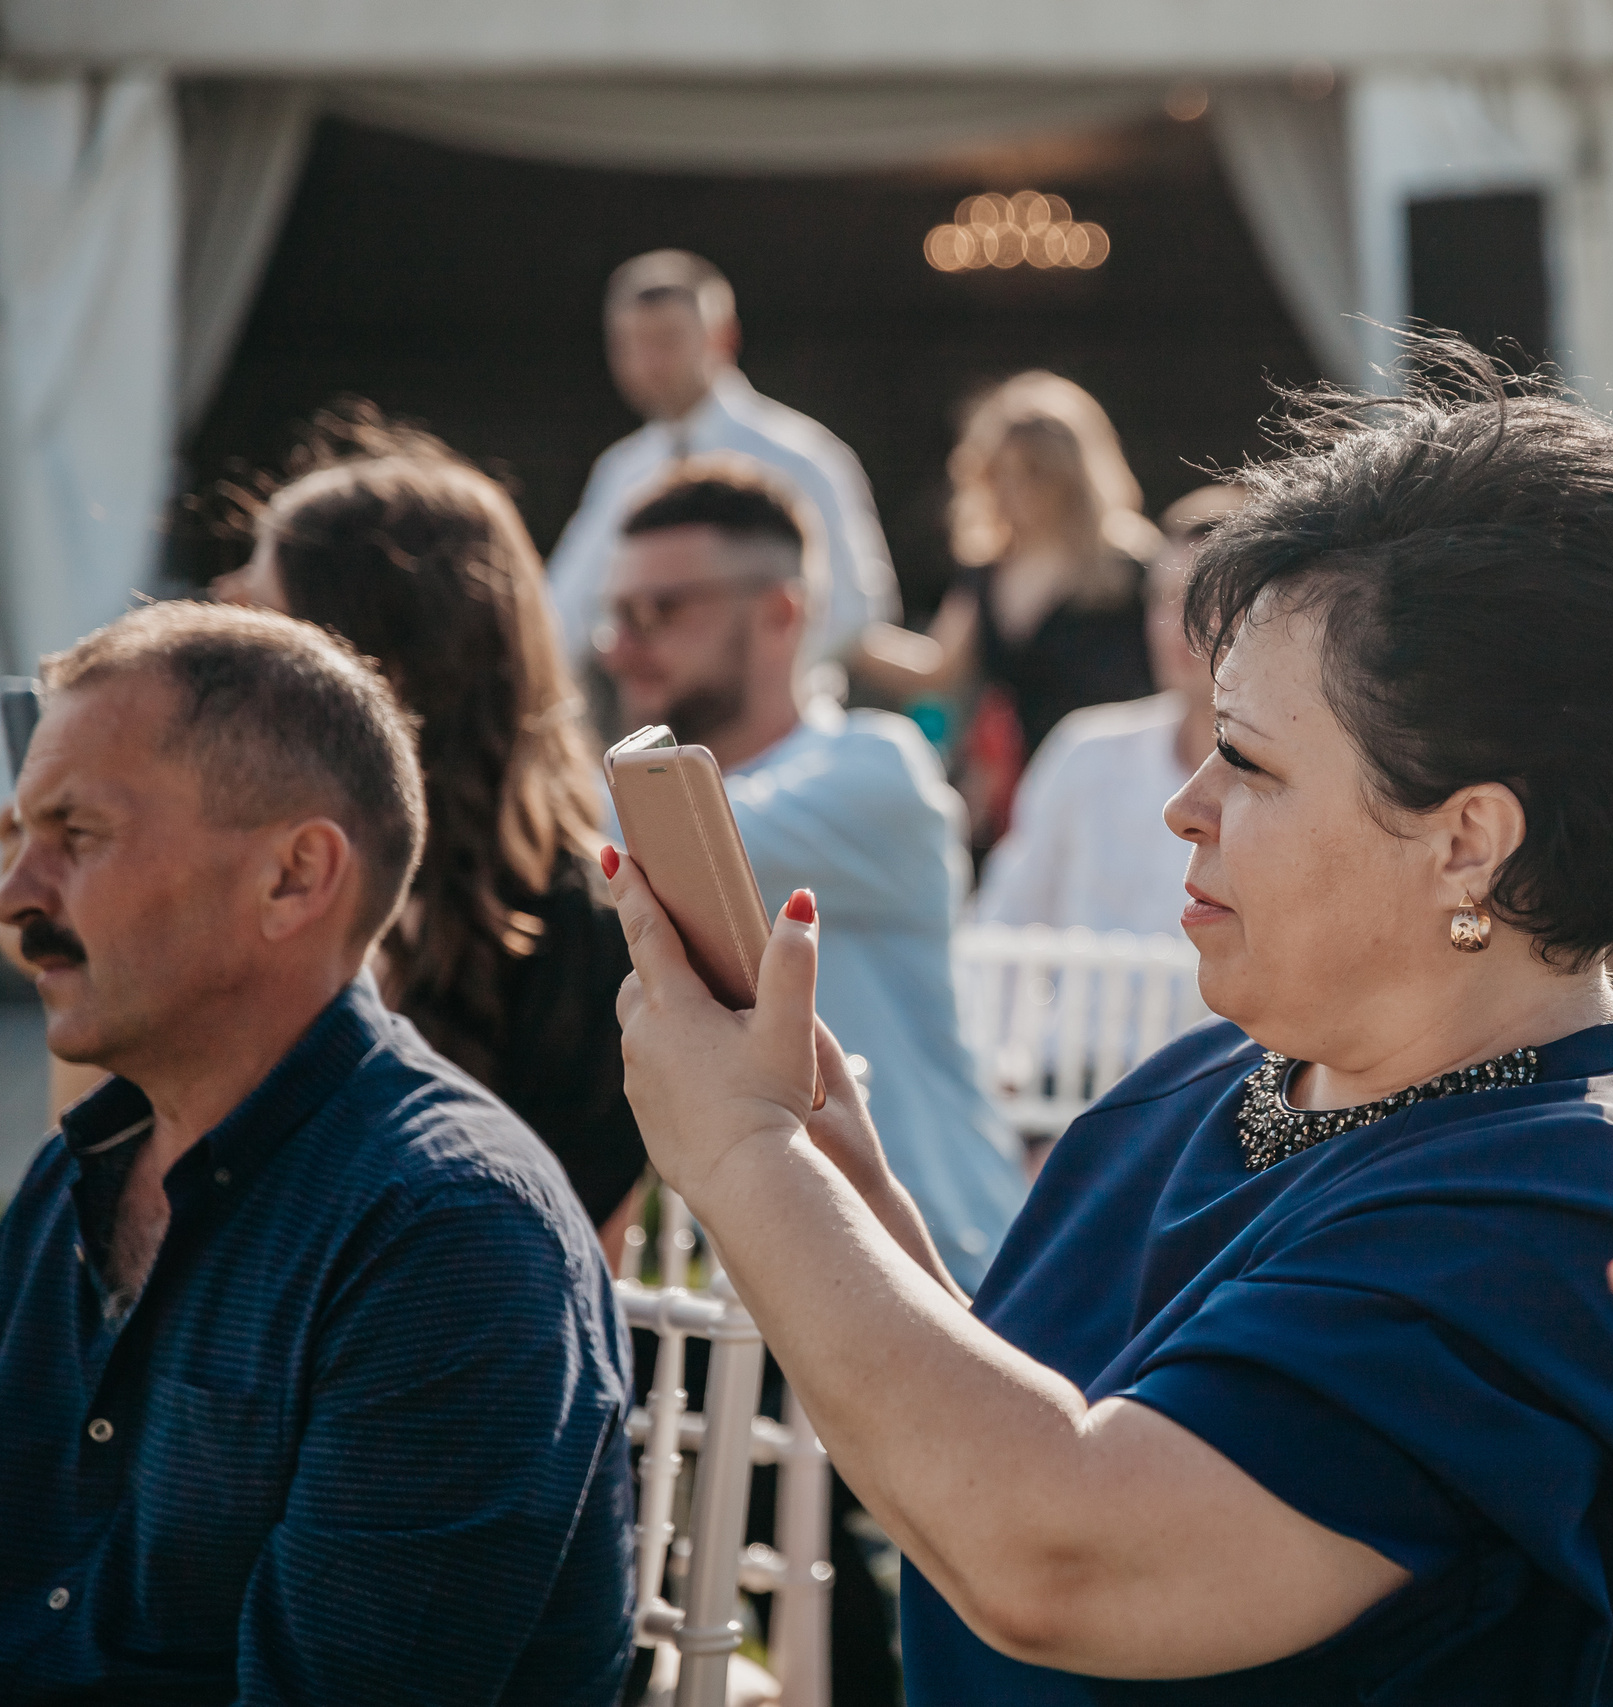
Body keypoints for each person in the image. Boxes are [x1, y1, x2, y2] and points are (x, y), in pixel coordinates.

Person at [602, 358, 1613, 1705]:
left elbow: (1064, 1554)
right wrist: (843, 1182)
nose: (1185, 804)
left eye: (1249, 759)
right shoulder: (1208, 1084)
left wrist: (749, 1157)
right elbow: (1035, 1425)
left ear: (1468, 840)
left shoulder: (1584, 1213)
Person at [0, 602, 632, 1704]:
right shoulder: (85, 1170)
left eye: (78, 836)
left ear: (293, 877)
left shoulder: (450, 1238)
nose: (15, 899)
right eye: (17, 840)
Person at [595, 455, 1024, 1287]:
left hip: (939, 1269)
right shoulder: (626, 791)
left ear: (781, 612)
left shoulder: (875, 769)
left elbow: (625, 835)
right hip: (745, 1297)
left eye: (660, 609)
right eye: (614, 614)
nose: (622, 647)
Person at [212, 411, 645, 1229]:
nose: (220, 620)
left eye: (265, 622)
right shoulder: (238, 881)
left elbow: (570, 1276)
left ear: (382, 672)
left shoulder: (586, 940)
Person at [547, 249, 899, 681]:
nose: (647, 363)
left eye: (666, 341)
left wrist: (732, 678)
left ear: (722, 339)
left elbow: (855, 611)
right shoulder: (621, 470)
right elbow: (562, 614)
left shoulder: (800, 457)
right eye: (630, 344)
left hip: (781, 730)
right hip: (654, 733)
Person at [854, 372, 1161, 844]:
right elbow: (936, 667)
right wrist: (838, 634)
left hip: (1120, 783)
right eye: (1001, 473)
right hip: (1021, 794)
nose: (1015, 490)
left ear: (1072, 477)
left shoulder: (1132, 569)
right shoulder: (988, 572)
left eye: (1034, 473)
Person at [973, 484, 1242, 935]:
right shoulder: (1084, 751)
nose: (1177, 623)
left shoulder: (1292, 784)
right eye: (1162, 598)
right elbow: (1000, 924)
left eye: (1205, 600)